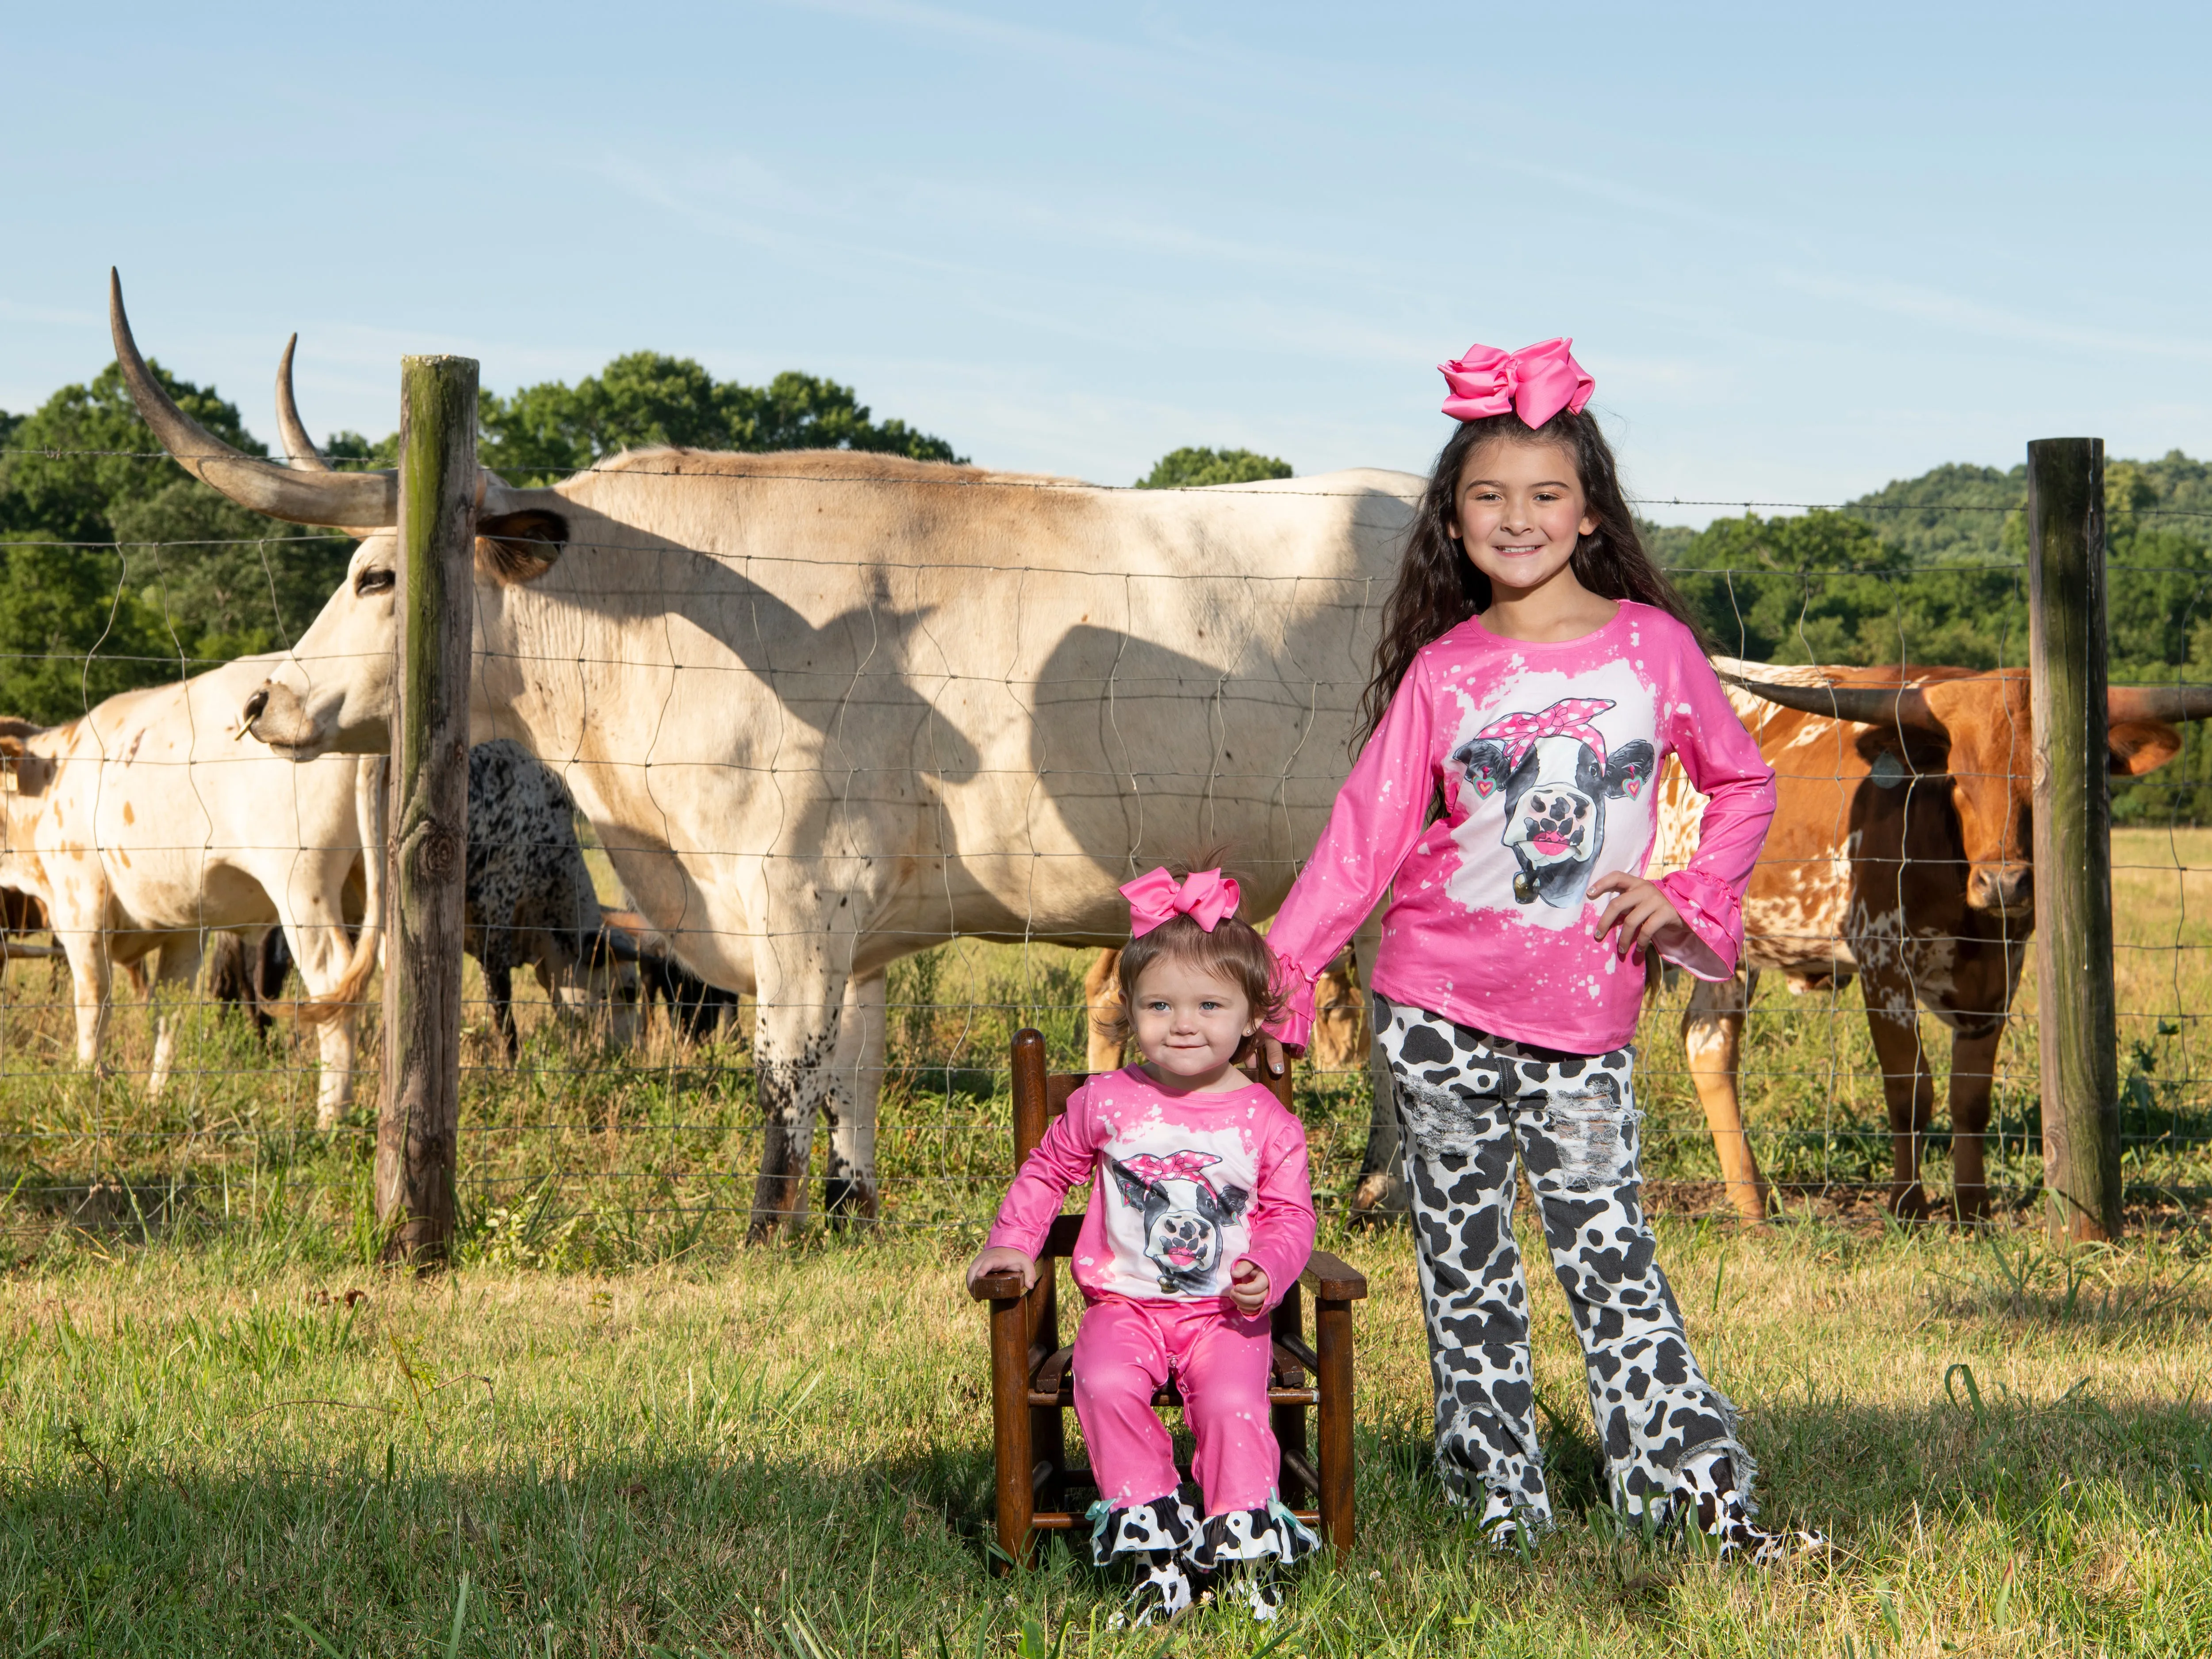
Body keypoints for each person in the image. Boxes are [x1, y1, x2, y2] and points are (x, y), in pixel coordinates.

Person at [1260, 338, 1824, 1562]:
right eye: (1488, 495)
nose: (1517, 516)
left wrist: (1687, 896)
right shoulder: (1446, 668)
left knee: (1611, 1260)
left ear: (1588, 512)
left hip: (1582, 1021)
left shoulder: (1653, 650)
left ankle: (1688, 1490)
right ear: (1453, 522)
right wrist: (1284, 960)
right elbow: (1365, 835)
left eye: (1545, 493)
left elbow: (1740, 786)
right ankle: (1497, 1498)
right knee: (1464, 1270)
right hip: (1430, 1001)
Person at [967, 866, 1319, 1624]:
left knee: (1231, 1399)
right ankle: (1155, 1548)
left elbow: (1292, 1216)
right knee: (1101, 1384)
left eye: (1209, 1005)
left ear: (1252, 1016)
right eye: (1160, 1004)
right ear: (1129, 1011)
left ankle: (1241, 1553)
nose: (1183, 1023)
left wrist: (1271, 1267)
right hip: (1123, 1305)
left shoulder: (1264, 1120)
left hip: (1226, 1313)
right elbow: (1048, 1167)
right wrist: (1014, 1243)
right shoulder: (1107, 1101)